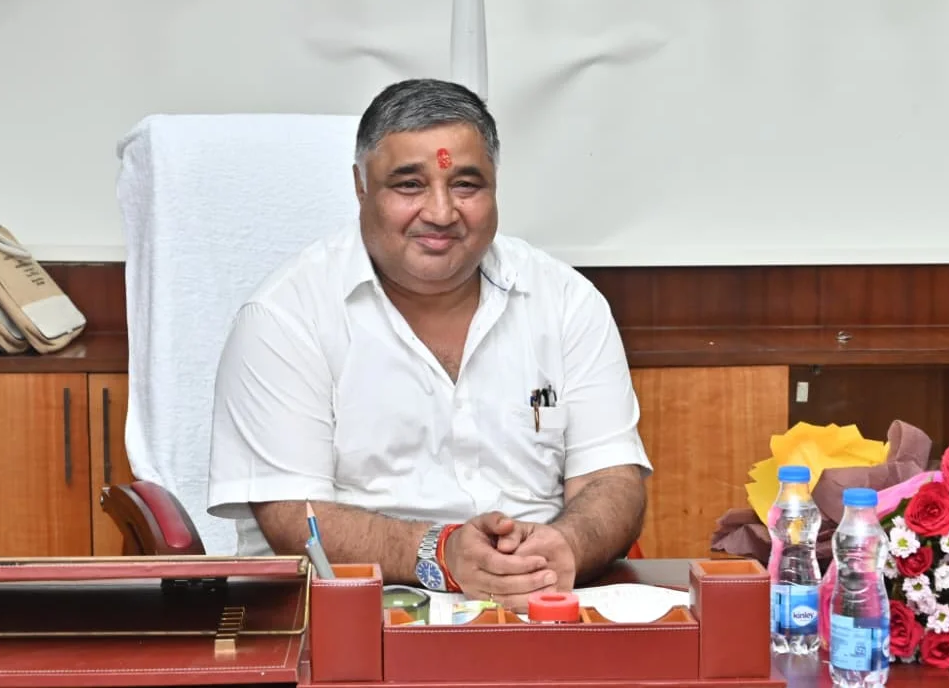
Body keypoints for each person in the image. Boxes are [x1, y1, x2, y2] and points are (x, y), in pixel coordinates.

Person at [206, 78, 652, 613]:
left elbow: (612, 478)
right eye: (409, 185)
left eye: (466, 184)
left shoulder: (566, 302)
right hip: (353, 615)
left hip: (540, 607)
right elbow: (290, 515)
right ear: (360, 186)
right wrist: (441, 555)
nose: (441, 213)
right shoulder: (284, 317)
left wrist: (567, 545)